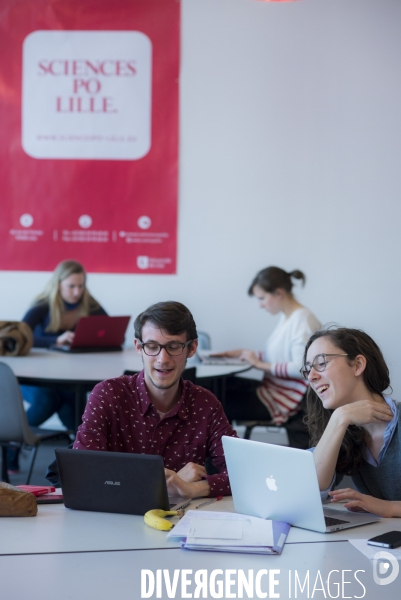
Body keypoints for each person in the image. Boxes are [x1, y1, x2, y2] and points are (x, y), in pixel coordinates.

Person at [72, 301, 238, 499]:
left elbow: (244, 474)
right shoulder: (107, 395)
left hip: (180, 521)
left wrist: (195, 488)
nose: (162, 359)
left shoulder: (205, 404)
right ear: (138, 347)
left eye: (174, 346)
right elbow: (82, 471)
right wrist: (164, 481)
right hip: (113, 515)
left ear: (192, 348)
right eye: (152, 346)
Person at [7, 260, 106, 473]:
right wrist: (55, 341)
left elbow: (108, 331)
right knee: (49, 399)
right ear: (58, 284)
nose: (77, 292)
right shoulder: (42, 305)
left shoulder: (89, 304)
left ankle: (80, 456)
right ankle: (13, 445)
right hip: (34, 376)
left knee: (71, 401)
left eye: (81, 286)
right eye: (71, 286)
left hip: (69, 376)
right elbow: (19, 336)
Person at [301, 327, 400, 518]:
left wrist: (388, 508)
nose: (311, 376)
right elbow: (311, 490)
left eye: (321, 363)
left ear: (357, 365)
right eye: (307, 369)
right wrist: (340, 418)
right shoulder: (342, 426)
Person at [217, 266, 321, 448]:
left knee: (217, 403)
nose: (261, 305)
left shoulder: (301, 321)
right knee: (221, 389)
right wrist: (245, 354)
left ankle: (217, 465)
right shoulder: (288, 318)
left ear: (279, 293)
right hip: (274, 390)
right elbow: (279, 356)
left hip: (284, 399)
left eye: (262, 298)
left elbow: (302, 367)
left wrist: (259, 365)